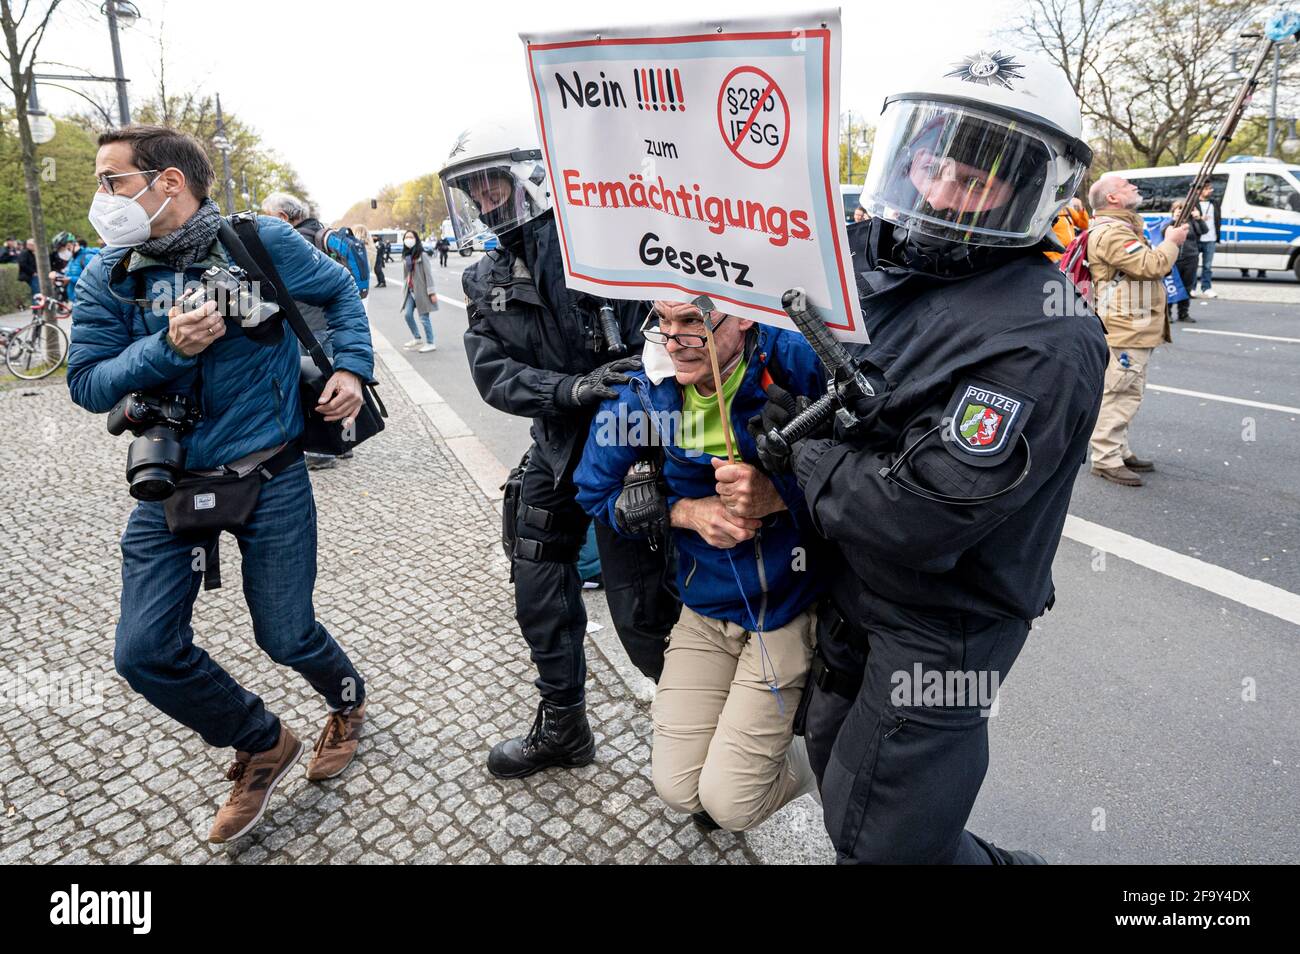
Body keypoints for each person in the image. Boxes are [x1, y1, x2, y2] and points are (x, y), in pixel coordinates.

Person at [747, 47, 1107, 864]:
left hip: (944, 625)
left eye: (974, 182)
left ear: (1028, 192)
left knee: (882, 846)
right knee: (844, 795)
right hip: (849, 590)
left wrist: (801, 455)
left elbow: (919, 515)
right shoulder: (874, 265)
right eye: (932, 163)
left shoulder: (1045, 333)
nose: (943, 194)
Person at [66, 124, 373, 844]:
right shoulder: (106, 271)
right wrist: (164, 347)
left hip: (271, 473)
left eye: (111, 180)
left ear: (165, 182)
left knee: (286, 633)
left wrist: (350, 369)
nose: (100, 198)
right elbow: (87, 381)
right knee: (141, 651)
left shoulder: (260, 240)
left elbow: (342, 293)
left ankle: (348, 701)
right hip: (167, 478)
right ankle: (262, 740)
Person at [439, 118, 681, 779]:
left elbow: (663, 331)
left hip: (632, 443)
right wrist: (569, 388)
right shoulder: (484, 273)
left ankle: (704, 743)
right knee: (536, 577)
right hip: (557, 436)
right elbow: (491, 371)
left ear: (534, 171)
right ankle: (563, 727)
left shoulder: (603, 237)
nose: (484, 196)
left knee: (644, 618)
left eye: (492, 179)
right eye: (471, 186)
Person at [575, 301, 825, 832]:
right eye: (662, 322)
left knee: (732, 805)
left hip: (786, 608)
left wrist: (780, 495)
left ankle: (824, 759)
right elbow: (593, 490)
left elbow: (872, 470)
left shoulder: (797, 363)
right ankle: (746, 763)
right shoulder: (645, 394)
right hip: (705, 609)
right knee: (678, 789)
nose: (673, 340)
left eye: (693, 321)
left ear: (744, 317)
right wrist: (685, 513)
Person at [1085, 174, 1185, 487]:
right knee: (1120, 391)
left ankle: (1118, 448)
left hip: (1131, 324)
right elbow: (1150, 266)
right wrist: (1172, 242)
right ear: (1112, 198)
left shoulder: (1120, 226)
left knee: (1129, 389)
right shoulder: (1113, 232)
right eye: (1128, 186)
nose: (1135, 188)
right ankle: (1106, 458)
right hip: (1126, 326)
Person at [261, 191, 357, 470]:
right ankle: (344, 443)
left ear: (281, 217)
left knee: (320, 388)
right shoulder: (320, 232)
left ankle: (324, 451)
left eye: (266, 216)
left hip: (310, 325)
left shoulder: (295, 242)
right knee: (337, 385)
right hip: (328, 322)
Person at [1158, 200, 1204, 325]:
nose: (1181, 211)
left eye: (1183, 208)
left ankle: (1183, 313)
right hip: (1174, 258)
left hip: (1191, 257)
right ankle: (1167, 313)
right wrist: (1174, 220)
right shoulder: (1168, 222)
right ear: (1173, 210)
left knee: (1187, 285)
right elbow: (1163, 233)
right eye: (1178, 208)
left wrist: (1199, 219)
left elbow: (1204, 231)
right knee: (1171, 286)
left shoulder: (1192, 222)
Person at [400, 229, 438, 352]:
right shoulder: (406, 256)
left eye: (411, 237)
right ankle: (417, 337)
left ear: (416, 239)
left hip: (422, 291)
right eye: (406, 237)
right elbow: (406, 276)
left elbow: (429, 275)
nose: (408, 239)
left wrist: (431, 292)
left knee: (424, 318)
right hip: (410, 291)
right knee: (407, 315)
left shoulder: (422, 255)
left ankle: (431, 342)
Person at [1194, 182, 1218, 299]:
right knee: (1193, 265)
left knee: (1207, 266)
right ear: (1199, 191)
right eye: (1207, 189)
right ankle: (1192, 288)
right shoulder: (1193, 204)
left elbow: (1218, 220)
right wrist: (1199, 219)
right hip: (1197, 238)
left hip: (1211, 238)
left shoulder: (1214, 203)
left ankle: (1206, 288)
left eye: (1211, 188)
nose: (1211, 190)